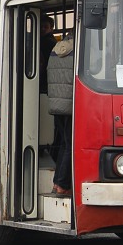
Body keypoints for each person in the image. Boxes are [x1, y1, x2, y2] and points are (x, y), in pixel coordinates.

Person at [47, 36, 74, 196]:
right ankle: (62, 184)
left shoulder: (54, 51)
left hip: (56, 105)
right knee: (70, 146)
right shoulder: (76, 52)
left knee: (64, 144)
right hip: (70, 106)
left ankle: (57, 183)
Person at [39, 15, 57, 94]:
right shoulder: (54, 41)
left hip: (44, 78)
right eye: (41, 26)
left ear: (51, 28)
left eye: (45, 27)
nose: (42, 29)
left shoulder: (46, 42)